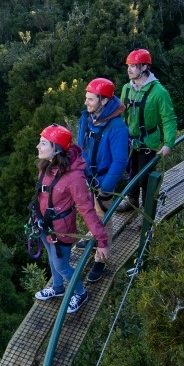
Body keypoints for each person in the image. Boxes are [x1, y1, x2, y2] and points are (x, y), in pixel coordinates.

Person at [32, 124, 110, 314]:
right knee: (51, 259)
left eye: (43, 143)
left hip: (61, 229)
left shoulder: (74, 178)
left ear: (56, 149)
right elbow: (44, 197)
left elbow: (87, 210)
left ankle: (80, 293)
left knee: (62, 265)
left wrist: (102, 241)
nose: (38, 147)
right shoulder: (46, 166)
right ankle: (58, 288)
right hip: (44, 225)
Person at [76, 77, 128, 282]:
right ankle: (92, 236)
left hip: (103, 179)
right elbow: (81, 147)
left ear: (104, 100)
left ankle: (101, 258)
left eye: (90, 99)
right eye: (86, 98)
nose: (86, 103)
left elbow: (120, 162)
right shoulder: (87, 118)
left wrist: (105, 189)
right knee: (89, 211)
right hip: (87, 176)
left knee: (103, 217)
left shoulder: (117, 127)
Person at [119, 49, 177, 209]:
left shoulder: (159, 92)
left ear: (144, 67)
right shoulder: (127, 88)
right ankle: (132, 200)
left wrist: (168, 143)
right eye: (128, 66)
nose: (129, 69)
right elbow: (121, 114)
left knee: (144, 177)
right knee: (131, 171)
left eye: (133, 66)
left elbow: (169, 119)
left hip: (148, 141)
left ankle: (147, 209)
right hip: (130, 140)